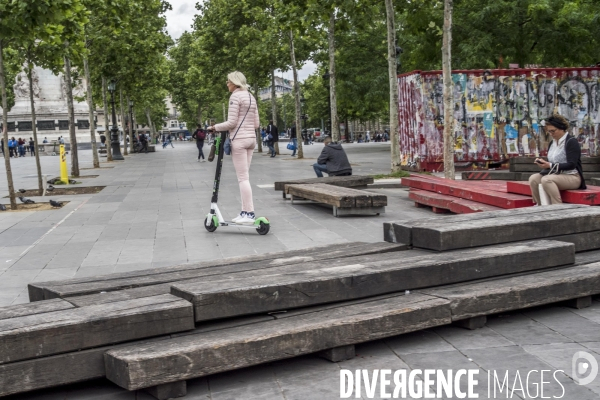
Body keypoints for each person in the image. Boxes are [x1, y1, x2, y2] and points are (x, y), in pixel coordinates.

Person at [207, 71, 260, 225]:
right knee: (245, 177)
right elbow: (256, 124)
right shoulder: (251, 96)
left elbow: (231, 123)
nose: (227, 83)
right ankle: (244, 212)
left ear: (235, 82)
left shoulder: (235, 97)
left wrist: (214, 127)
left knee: (242, 178)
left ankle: (249, 213)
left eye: (228, 81)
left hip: (240, 140)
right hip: (251, 140)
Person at [528, 114, 586, 205]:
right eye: (549, 131)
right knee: (533, 179)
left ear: (562, 128)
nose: (551, 134)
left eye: (553, 131)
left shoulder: (571, 142)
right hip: (555, 174)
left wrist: (550, 165)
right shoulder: (552, 143)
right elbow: (551, 162)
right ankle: (539, 205)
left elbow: (572, 164)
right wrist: (544, 163)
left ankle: (557, 207)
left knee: (547, 180)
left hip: (572, 177)